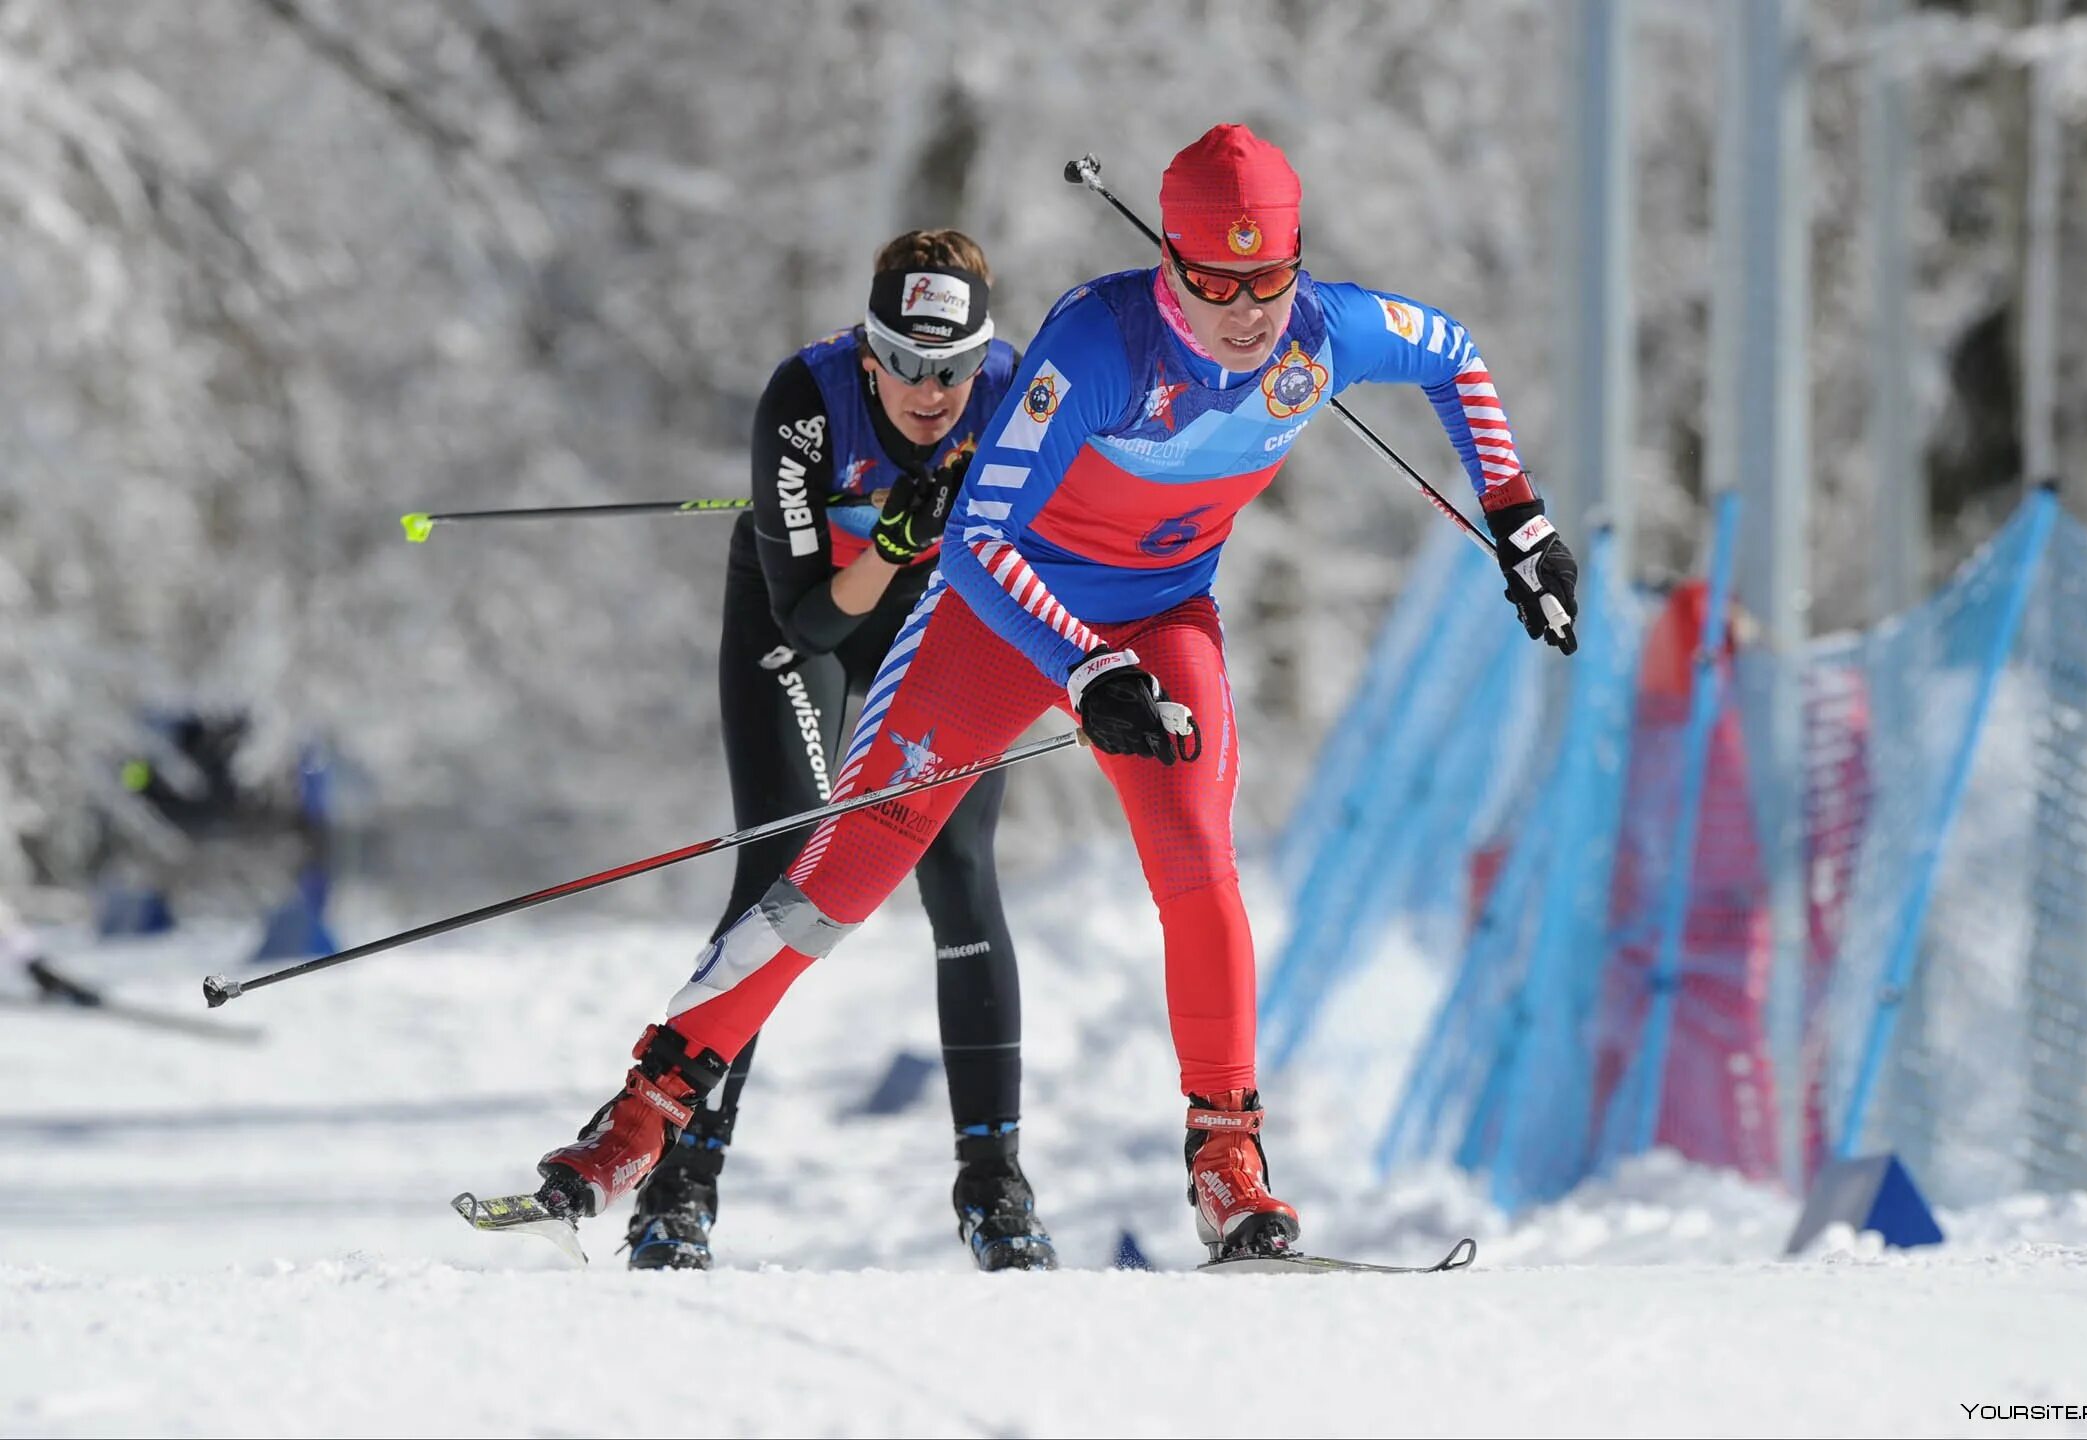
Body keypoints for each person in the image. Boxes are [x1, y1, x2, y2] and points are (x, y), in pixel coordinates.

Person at [527, 126, 1579, 1261]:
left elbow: (1456, 356)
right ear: (1169, 262)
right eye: (1211, 282)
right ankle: (642, 1113)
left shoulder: (1326, 334)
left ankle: (1228, 1160)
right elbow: (979, 539)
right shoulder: (1100, 345)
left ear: (1296, 264)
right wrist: (1081, 662)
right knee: (847, 869)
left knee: (1196, 859)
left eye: (1265, 280)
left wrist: (1517, 517)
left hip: (1161, 617)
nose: (1243, 311)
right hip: (1000, 616)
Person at [620, 229, 1056, 1272]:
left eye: (950, 368)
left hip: (949, 624)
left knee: (956, 869)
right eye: (904, 362)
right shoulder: (806, 403)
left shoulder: (1021, 398)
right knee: (784, 866)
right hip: (813, 606)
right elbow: (811, 622)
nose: (929, 391)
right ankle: (680, 1187)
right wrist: (894, 543)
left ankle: (993, 1185)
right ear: (869, 352)